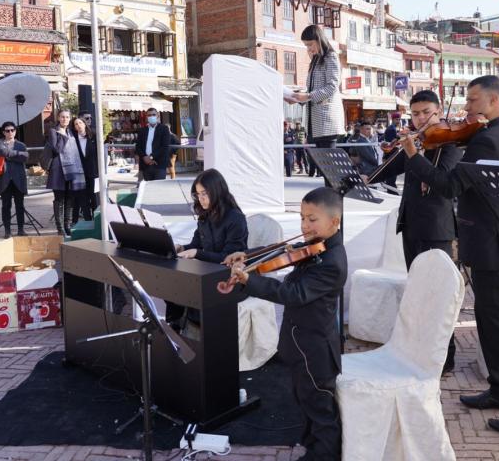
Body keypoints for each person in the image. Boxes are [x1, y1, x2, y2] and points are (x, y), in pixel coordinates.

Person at [401, 75, 499, 435]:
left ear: (495, 102)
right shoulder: (498, 134)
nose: (466, 109)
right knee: (489, 323)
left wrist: (414, 157)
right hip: (489, 244)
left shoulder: (490, 140)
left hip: (495, 247)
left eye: (472, 101)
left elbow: (450, 186)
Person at [226, 187, 346, 460]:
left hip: (315, 351)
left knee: (320, 409)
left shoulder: (333, 262)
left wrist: (249, 280)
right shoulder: (317, 246)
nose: (304, 225)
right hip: (299, 344)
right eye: (302, 217)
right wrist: (245, 254)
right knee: (304, 401)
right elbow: (282, 249)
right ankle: (311, 448)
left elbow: (292, 293)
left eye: (312, 219)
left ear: (334, 222)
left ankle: (324, 455)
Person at [370, 90, 463, 368]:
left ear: (438, 112)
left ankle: (445, 357)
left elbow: (442, 180)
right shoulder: (416, 141)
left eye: (426, 112)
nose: (420, 118)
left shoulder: (451, 144)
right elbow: (391, 166)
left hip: (436, 228)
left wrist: (413, 152)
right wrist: (365, 178)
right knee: (418, 290)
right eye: (416, 113)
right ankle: (421, 348)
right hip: (410, 224)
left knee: (439, 294)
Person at [169, 169, 248, 326]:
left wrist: (197, 253)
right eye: (198, 194)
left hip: (229, 277)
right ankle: (177, 324)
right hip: (207, 272)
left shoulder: (236, 219)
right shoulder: (205, 216)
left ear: (217, 191)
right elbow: (195, 245)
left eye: (204, 193)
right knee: (171, 282)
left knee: (188, 288)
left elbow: (228, 259)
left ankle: (191, 327)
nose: (201, 199)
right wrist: (180, 248)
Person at [290, 24, 345, 153]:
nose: (308, 48)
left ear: (319, 39)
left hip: (327, 119)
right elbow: (313, 89)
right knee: (322, 163)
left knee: (328, 163)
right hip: (316, 120)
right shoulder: (315, 60)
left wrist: (308, 96)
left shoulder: (330, 57)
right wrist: (298, 98)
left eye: (310, 44)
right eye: (306, 46)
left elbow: (332, 86)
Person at [43, 109, 84, 236]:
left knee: (70, 199)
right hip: (58, 170)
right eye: (62, 117)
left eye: (67, 117)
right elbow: (56, 149)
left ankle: (68, 225)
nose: (64, 119)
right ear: (58, 118)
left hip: (72, 170)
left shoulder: (71, 132)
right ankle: (60, 227)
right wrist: (63, 136)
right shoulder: (53, 131)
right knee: (59, 199)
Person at [0, 121, 29, 238]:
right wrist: (17, 155)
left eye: (12, 130)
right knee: (6, 206)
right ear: (3, 132)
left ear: (15, 131)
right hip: (4, 179)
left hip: (19, 179)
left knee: (20, 205)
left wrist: (8, 156)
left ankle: (21, 229)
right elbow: (2, 152)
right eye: (7, 130)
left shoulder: (21, 145)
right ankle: (7, 230)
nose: (10, 132)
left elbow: (25, 157)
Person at [70, 116, 98, 223]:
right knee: (83, 198)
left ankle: (96, 221)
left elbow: (99, 155)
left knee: (94, 198)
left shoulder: (93, 136)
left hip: (93, 171)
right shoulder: (73, 139)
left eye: (80, 123)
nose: (78, 125)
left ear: (85, 124)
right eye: (76, 124)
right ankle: (87, 220)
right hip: (79, 173)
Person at [136, 107, 170, 181]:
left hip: (159, 164)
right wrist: (144, 157)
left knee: (158, 188)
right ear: (146, 117)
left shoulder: (164, 129)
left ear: (157, 116)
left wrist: (151, 157)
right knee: (148, 189)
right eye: (149, 115)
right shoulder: (142, 130)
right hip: (145, 165)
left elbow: (164, 146)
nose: (151, 117)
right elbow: (138, 147)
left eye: (153, 114)